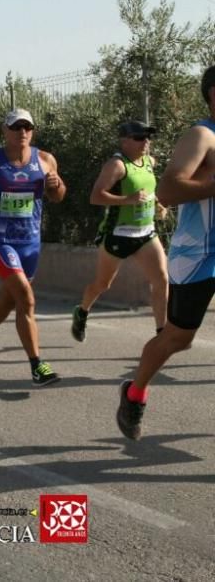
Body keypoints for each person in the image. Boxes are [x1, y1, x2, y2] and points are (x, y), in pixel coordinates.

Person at [117, 65, 215, 440]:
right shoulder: (201, 135)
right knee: (178, 339)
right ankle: (135, 391)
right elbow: (169, 191)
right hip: (199, 256)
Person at [0, 109, 66, 386]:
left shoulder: (45, 160)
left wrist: (56, 185)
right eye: (16, 127)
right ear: (4, 131)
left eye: (27, 127)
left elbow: (58, 196)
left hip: (30, 241)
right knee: (26, 300)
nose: (22, 133)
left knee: (11, 299)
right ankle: (36, 365)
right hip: (0, 239)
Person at [72, 121, 168, 343]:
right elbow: (96, 197)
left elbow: (148, 191)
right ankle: (82, 310)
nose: (146, 142)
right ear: (124, 141)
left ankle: (162, 333)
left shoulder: (149, 162)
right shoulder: (116, 165)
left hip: (146, 233)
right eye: (139, 138)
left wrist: (158, 205)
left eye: (148, 137)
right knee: (103, 284)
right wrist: (128, 200)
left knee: (162, 279)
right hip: (118, 234)